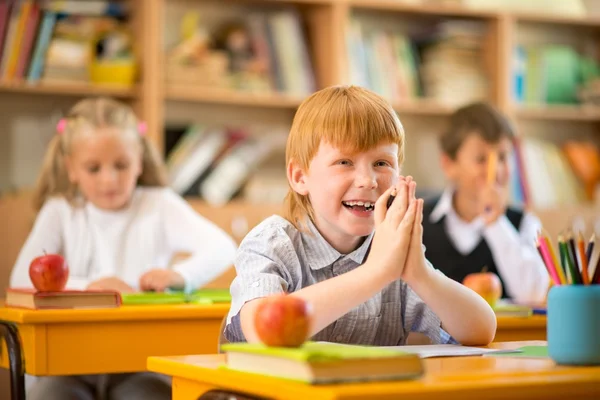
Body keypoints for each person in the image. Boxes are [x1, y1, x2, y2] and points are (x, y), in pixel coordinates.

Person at [224, 85, 496, 347]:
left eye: (381, 163)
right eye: (344, 162)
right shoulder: (270, 245)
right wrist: (374, 274)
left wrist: (420, 274)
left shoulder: (392, 247)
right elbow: (263, 328)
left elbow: (481, 330)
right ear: (299, 177)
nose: (367, 180)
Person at [10, 97, 237, 400]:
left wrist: (181, 276)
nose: (110, 179)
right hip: (66, 366)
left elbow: (224, 247)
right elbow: (20, 280)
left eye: (121, 165)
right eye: (93, 168)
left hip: (140, 365)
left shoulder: (159, 204)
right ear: (71, 169)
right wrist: (90, 288)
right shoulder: (60, 211)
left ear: (139, 161)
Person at [422, 102, 549, 304]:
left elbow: (534, 293)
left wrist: (495, 223)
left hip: (506, 335)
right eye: (481, 159)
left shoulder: (524, 223)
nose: (495, 170)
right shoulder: (418, 221)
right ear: (449, 164)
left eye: (502, 157)